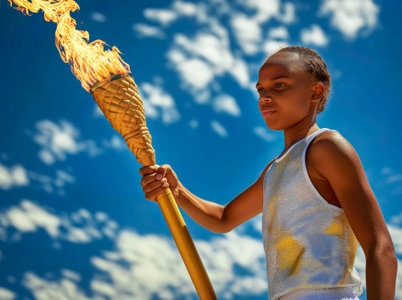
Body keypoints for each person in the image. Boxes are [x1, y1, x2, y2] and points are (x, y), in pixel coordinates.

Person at [138, 46, 397, 300]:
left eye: (279, 85)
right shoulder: (275, 170)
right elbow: (224, 218)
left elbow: (380, 247)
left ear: (315, 91)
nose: (264, 97)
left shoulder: (326, 147)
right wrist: (177, 191)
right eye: (261, 90)